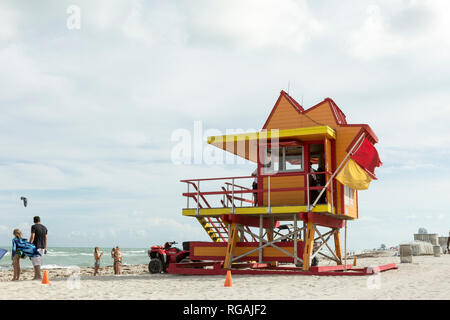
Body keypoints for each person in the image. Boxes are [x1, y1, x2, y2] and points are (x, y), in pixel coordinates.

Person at [29, 216, 48, 280]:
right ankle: (36, 276)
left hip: (35, 247)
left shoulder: (33, 227)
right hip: (42, 247)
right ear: (40, 220)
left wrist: (29, 244)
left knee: (35, 262)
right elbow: (46, 238)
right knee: (38, 262)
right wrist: (45, 248)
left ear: (34, 221)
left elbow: (32, 236)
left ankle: (39, 276)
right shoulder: (44, 227)